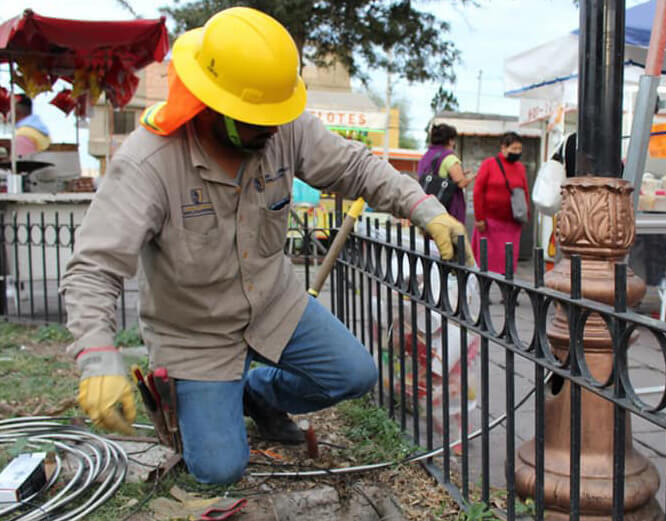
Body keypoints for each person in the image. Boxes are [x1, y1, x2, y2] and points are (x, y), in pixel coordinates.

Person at [60, 7, 472, 485]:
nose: (276, 129)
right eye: (260, 120)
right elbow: (94, 268)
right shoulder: (149, 162)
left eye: (280, 116)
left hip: (272, 303)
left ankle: (257, 392)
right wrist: (98, 358)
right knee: (219, 469)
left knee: (354, 373)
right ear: (216, 107)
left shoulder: (282, 126)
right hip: (195, 333)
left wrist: (424, 208)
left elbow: (355, 167)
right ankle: (209, 398)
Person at [472, 132, 529, 274]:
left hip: (512, 223)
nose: (517, 152)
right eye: (514, 149)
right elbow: (478, 191)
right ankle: (484, 292)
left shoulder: (520, 168)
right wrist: (479, 218)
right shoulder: (489, 164)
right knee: (486, 262)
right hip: (490, 224)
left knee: (507, 262)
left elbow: (524, 191)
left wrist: (525, 213)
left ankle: (507, 293)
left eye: (519, 149)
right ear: (503, 147)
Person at [417, 124, 473, 224]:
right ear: (450, 140)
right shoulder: (449, 158)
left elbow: (437, 175)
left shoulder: (426, 156)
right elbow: (461, 183)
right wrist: (475, 176)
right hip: (447, 207)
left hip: (428, 206)